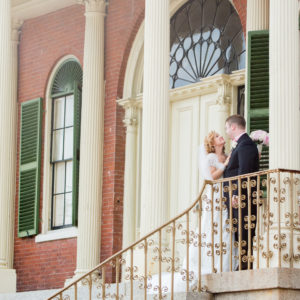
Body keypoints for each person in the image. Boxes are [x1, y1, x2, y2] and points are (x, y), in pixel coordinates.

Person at [223, 114, 259, 270]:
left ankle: (245, 264)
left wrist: (237, 194)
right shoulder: (240, 145)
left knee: (244, 229)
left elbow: (244, 172)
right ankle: (241, 262)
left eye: (226, 127)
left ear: (233, 126)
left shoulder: (245, 145)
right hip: (235, 196)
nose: (226, 131)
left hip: (242, 197)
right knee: (238, 230)